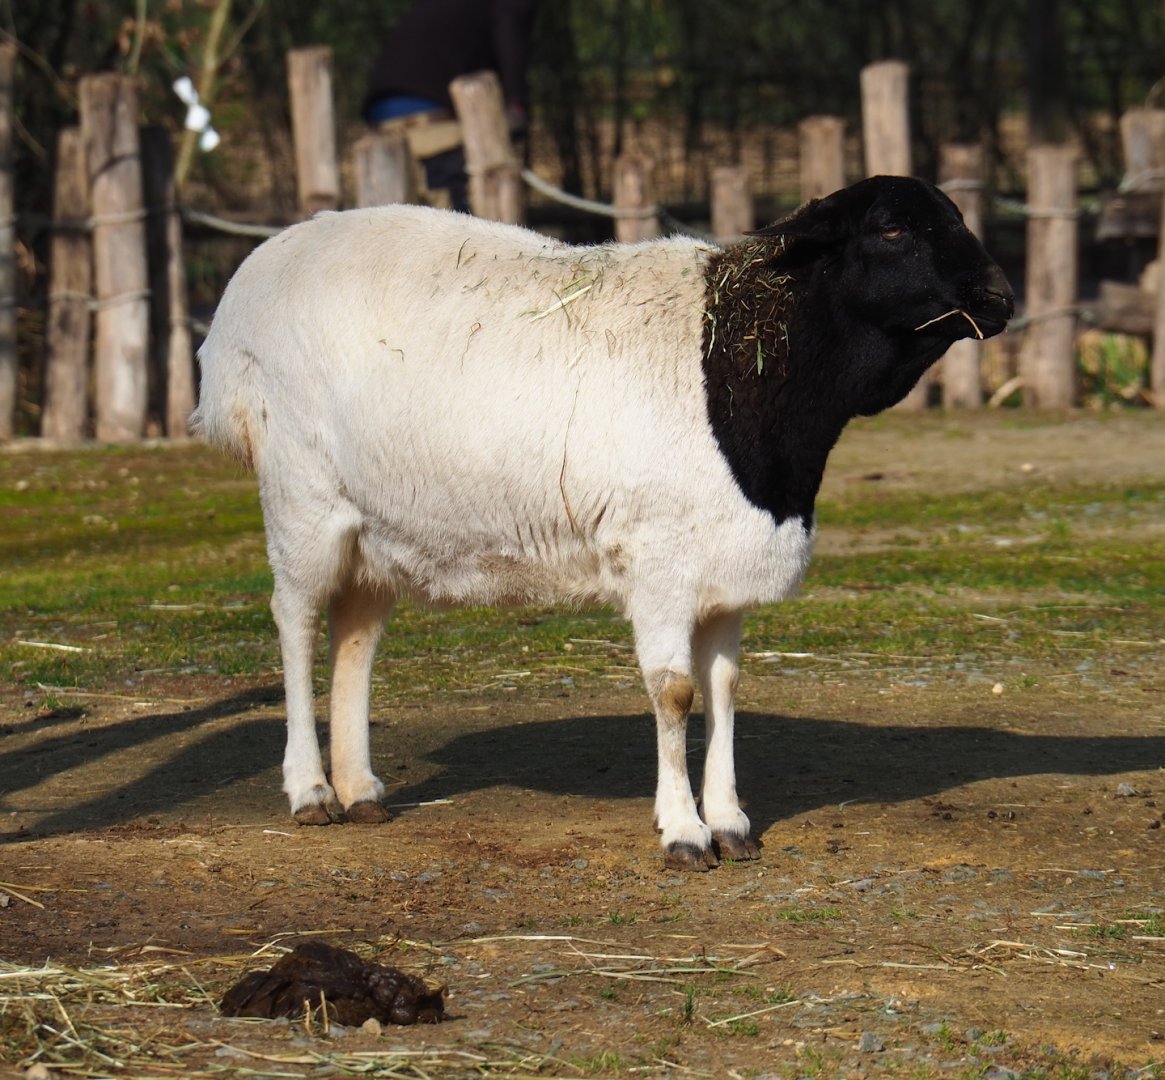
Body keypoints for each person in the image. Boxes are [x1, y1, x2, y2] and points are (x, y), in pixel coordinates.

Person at [362, 0, 537, 212]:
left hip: (380, 124)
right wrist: (515, 105)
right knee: (463, 233)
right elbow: (510, 30)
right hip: (435, 126)